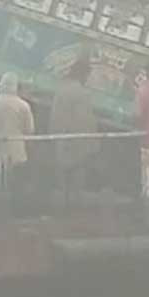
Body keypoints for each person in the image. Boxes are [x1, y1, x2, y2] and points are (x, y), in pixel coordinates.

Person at [0, 73, 34, 218]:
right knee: (16, 183)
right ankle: (15, 212)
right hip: (17, 150)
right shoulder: (24, 106)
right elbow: (29, 129)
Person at [49, 59, 99, 211]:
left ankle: (61, 208)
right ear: (83, 75)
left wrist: (54, 134)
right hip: (78, 140)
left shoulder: (61, 90)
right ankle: (75, 210)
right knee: (77, 177)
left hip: (62, 139)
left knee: (61, 178)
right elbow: (86, 120)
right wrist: (93, 141)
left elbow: (55, 116)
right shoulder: (83, 94)